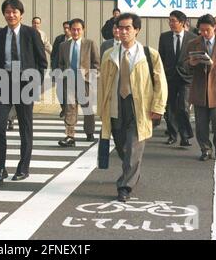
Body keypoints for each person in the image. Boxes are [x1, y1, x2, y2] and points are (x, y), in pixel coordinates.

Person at [98, 13, 167, 202]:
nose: (123, 31)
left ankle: (125, 186)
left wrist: (158, 107)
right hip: (116, 106)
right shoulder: (109, 54)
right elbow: (103, 83)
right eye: (120, 28)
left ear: (137, 30)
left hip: (139, 107)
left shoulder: (148, 54)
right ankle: (133, 173)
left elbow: (160, 81)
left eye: (128, 28)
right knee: (122, 147)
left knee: (133, 147)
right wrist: (101, 109)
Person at [0, 0, 47, 186]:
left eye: (14, 11)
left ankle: (23, 167)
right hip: (3, 82)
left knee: (25, 127)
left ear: (21, 14)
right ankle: (0, 168)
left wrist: (35, 81)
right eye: (7, 11)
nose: (11, 15)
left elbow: (42, 60)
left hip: (25, 82)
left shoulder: (31, 33)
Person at [186, 14, 216, 161]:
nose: (204, 33)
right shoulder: (193, 43)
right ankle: (205, 148)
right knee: (201, 122)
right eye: (201, 30)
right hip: (200, 89)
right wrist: (191, 63)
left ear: (214, 27)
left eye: (207, 30)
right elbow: (184, 65)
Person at [58, 18, 99, 147]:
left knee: (87, 108)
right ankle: (70, 136)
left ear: (83, 30)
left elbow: (96, 63)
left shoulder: (90, 43)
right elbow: (60, 63)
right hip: (69, 81)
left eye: (78, 29)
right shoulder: (63, 46)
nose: (75, 32)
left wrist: (91, 78)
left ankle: (89, 132)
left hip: (85, 81)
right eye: (73, 29)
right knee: (70, 108)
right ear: (69, 30)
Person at [158, 10, 197, 147]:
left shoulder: (192, 38)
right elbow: (161, 58)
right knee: (169, 108)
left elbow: (195, 57)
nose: (171, 23)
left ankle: (185, 136)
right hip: (169, 77)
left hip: (186, 78)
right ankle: (172, 134)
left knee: (183, 107)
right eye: (169, 21)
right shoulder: (164, 37)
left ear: (182, 22)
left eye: (174, 21)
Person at [51, 21, 72, 117]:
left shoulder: (76, 40)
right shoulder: (59, 39)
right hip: (60, 69)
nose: (66, 30)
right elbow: (54, 54)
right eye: (65, 28)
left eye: (68, 28)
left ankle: (69, 109)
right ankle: (64, 107)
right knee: (60, 91)